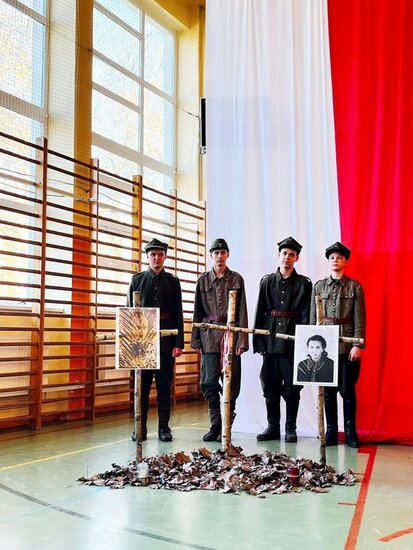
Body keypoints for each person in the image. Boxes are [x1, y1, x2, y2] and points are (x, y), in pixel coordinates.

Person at [253, 237, 312, 442]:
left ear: (297, 258)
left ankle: (290, 428)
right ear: (279, 255)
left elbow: (306, 316)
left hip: (292, 344)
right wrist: (259, 342)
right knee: (269, 385)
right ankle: (272, 427)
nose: (287, 257)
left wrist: (304, 344)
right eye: (284, 253)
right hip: (270, 342)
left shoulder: (304, 284)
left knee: (292, 388)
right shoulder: (267, 281)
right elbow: (260, 312)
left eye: (291, 254)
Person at [191, 238, 249, 442]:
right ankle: (215, 425)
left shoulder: (237, 279)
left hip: (231, 337)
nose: (219, 256)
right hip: (209, 337)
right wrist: (195, 339)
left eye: (223, 252)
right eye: (216, 253)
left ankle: (226, 425)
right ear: (211, 256)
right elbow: (197, 311)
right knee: (208, 382)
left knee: (231, 384)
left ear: (228, 255)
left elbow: (242, 311)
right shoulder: (202, 281)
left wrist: (242, 340)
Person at [127, 238, 184, 442]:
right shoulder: (137, 280)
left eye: (160, 255)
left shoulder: (173, 282)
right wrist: (131, 345)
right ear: (147, 257)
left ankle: (163, 428)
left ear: (165, 257)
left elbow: (178, 313)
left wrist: (178, 343)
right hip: (141, 343)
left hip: (166, 342)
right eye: (153, 255)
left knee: (164, 387)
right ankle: (139, 427)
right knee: (141, 388)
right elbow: (129, 314)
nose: (157, 258)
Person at [310, 241, 366, 448]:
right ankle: (331, 431)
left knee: (347, 389)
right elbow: (313, 317)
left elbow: (360, 318)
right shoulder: (319, 286)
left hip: (347, 344)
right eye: (332, 258)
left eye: (339, 258)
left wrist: (358, 344)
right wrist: (311, 345)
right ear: (328, 261)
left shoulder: (354, 286)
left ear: (346, 261)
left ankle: (351, 432)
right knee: (328, 391)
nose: (335, 260)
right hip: (325, 347)